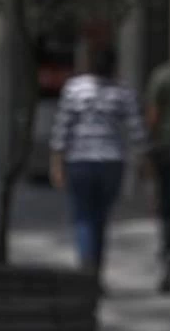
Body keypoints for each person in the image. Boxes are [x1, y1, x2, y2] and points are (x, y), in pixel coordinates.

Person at [49, 46, 145, 291]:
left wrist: (57, 164)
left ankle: (87, 271)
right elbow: (136, 131)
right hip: (111, 162)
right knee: (100, 219)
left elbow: (61, 130)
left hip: (80, 161)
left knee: (83, 217)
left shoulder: (74, 89)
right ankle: (95, 273)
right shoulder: (122, 92)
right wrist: (144, 162)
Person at [145, 59, 170, 293]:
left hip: (168, 150)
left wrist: (149, 146)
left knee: (168, 211)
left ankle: (167, 266)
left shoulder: (162, 76)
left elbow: (153, 115)